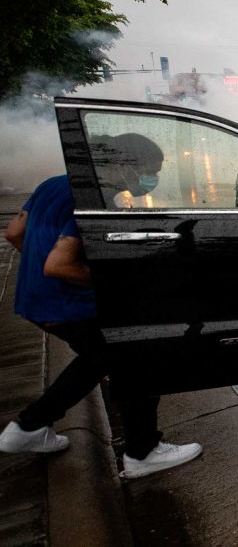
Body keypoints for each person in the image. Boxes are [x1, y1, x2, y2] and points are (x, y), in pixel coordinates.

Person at [1, 158, 202, 478]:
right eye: (151, 169)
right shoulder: (91, 196)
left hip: (34, 299)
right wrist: (115, 284)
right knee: (139, 357)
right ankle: (142, 451)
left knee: (99, 360)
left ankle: (28, 427)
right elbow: (59, 265)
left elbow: (14, 233)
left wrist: (40, 270)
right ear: (125, 165)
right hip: (70, 305)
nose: (155, 176)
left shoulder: (52, 184)